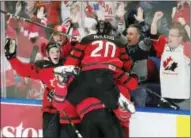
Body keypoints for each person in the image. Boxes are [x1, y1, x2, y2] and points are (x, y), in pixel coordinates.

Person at [53, 20, 134, 138]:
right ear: (110, 30)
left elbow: (72, 60)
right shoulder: (118, 42)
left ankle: (62, 82)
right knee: (113, 102)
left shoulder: (87, 39)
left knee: (63, 100)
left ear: (96, 29)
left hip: (87, 73)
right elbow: (127, 65)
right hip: (109, 75)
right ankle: (121, 106)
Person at [4, 39, 80, 137]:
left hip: (68, 110)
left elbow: (78, 55)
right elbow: (23, 70)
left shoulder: (67, 64)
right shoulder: (42, 67)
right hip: (50, 111)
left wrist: (74, 43)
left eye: (57, 51)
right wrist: (11, 58)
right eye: (52, 52)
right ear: (48, 54)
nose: (55, 54)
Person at [151, 11, 190, 110]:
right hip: (166, 97)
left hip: (182, 99)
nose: (169, 37)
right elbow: (154, 35)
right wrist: (155, 20)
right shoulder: (165, 46)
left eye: (172, 35)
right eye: (169, 35)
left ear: (180, 38)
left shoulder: (185, 49)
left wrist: (184, 24)